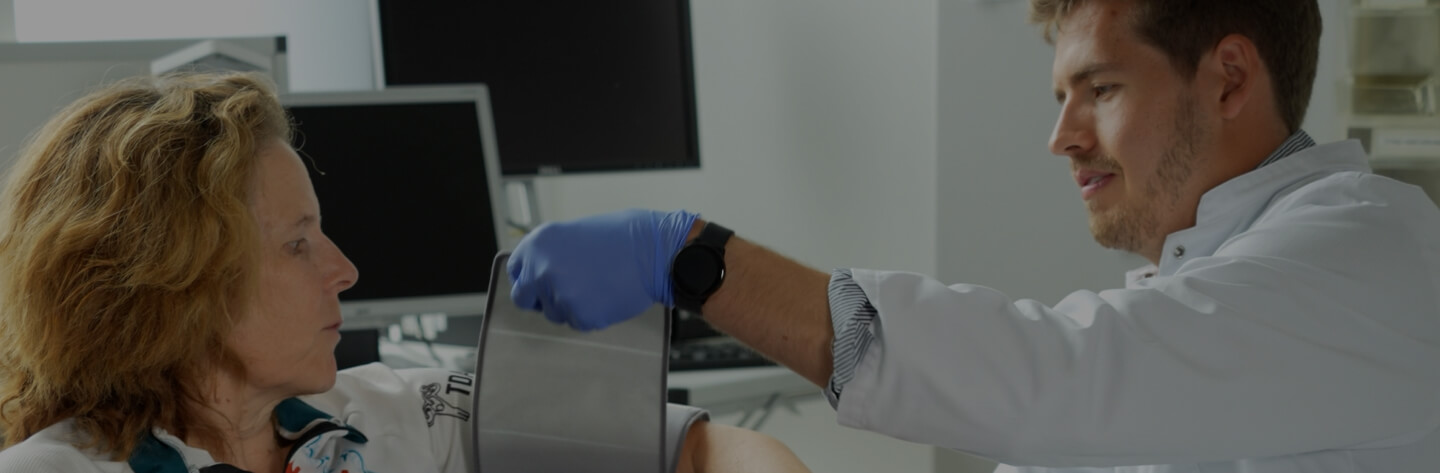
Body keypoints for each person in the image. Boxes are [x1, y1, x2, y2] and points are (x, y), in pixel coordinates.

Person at [506, 0, 1440, 472]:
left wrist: (690, 258)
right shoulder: (1208, 288)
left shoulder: (1370, 254)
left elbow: (1058, 375)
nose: (1061, 135)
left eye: (1101, 89)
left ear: (1229, 78)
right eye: (1060, 95)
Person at [0, 72, 812, 473]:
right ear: (173, 279)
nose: (345, 270)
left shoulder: (390, 416)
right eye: (297, 243)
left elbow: (715, 450)